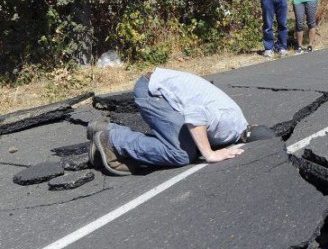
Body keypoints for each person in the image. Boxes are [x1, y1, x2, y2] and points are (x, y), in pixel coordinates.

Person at [86, 68, 274, 176]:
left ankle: (105, 128)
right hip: (152, 92)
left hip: (159, 86)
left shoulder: (238, 120)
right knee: (181, 154)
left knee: (190, 144)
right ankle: (112, 140)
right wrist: (209, 154)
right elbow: (195, 115)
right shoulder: (227, 127)